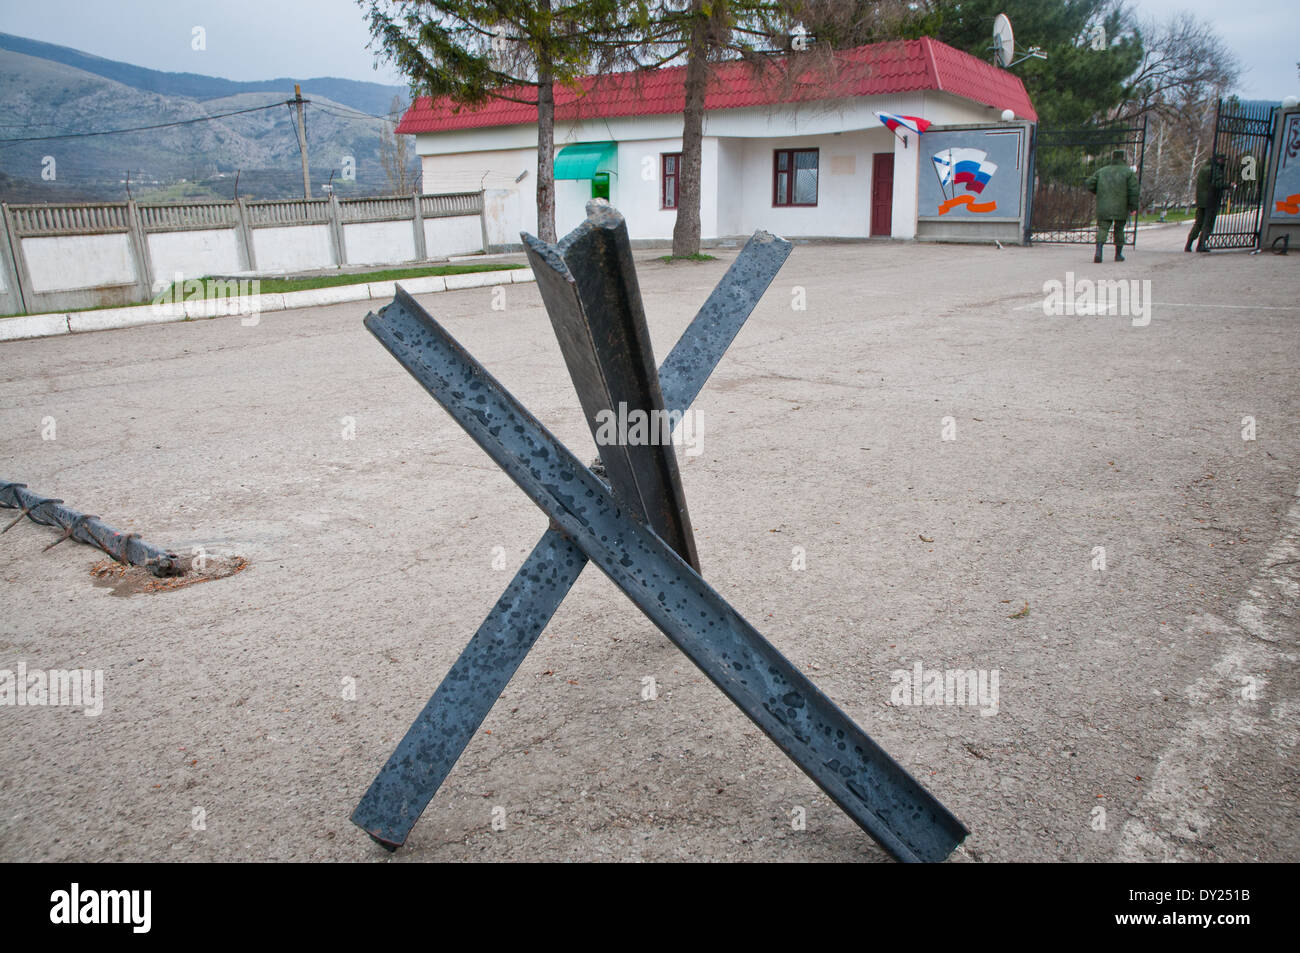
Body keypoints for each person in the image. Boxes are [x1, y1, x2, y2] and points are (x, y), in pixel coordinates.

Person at [1085, 149, 1140, 263]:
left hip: (1104, 205)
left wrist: (1100, 192)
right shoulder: (1128, 172)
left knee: (1103, 228)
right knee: (1119, 229)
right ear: (1123, 158)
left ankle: (1099, 252)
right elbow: (1133, 191)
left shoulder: (1102, 171)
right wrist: (1133, 207)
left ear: (1113, 158)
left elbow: (1089, 183)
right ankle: (1118, 254)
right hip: (1121, 205)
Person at [1185, 156, 1226, 253]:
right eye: (1222, 160)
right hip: (1210, 200)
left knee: (1198, 223)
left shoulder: (1203, 168)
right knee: (1207, 224)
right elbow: (1218, 183)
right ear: (1218, 160)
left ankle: (1189, 244)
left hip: (1201, 200)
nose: (1223, 162)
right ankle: (1201, 245)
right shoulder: (1213, 170)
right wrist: (1229, 185)